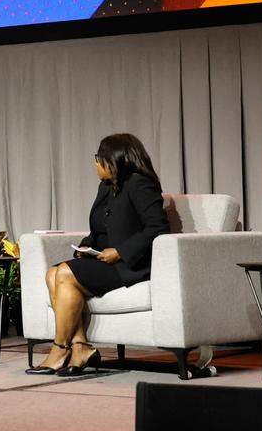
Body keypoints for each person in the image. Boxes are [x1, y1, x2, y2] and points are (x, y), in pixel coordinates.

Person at [26, 133, 170, 376]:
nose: (95, 163)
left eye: (99, 158)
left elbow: (157, 228)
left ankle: (60, 348)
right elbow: (99, 229)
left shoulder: (139, 184)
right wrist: (86, 246)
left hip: (129, 265)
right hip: (102, 260)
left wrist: (121, 252)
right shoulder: (105, 187)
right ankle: (80, 347)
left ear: (116, 160)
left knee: (63, 273)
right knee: (52, 273)